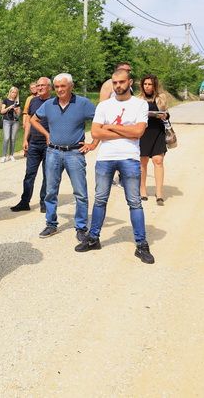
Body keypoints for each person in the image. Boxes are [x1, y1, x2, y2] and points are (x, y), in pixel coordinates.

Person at [75, 69, 155, 264]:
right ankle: (93, 238)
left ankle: (141, 244)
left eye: (121, 82)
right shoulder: (104, 105)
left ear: (130, 82)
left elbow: (139, 131)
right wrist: (127, 131)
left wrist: (109, 126)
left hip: (130, 158)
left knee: (134, 202)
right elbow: (96, 133)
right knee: (100, 199)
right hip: (105, 158)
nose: (118, 86)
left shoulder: (140, 104)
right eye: (115, 82)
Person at [29, 73, 97, 240]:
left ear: (71, 86)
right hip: (53, 152)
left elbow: (100, 121)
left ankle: (81, 227)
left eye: (63, 86)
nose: (59, 89)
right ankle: (51, 224)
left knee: (80, 192)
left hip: (75, 153)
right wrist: (47, 134)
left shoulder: (83, 103)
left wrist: (94, 143)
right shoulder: (49, 104)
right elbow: (33, 120)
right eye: (57, 86)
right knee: (50, 191)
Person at [11, 77, 52, 213]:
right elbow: (28, 121)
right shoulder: (33, 101)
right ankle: (25, 202)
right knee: (29, 174)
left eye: (43, 85)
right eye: (38, 85)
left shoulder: (54, 102)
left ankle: (44, 202)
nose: (39, 88)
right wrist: (25, 140)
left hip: (48, 144)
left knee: (48, 175)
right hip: (33, 142)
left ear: (50, 87)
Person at [137, 73, 169, 204]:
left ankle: (159, 193)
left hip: (158, 131)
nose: (147, 86)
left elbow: (167, 113)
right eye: (145, 84)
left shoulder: (162, 98)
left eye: (149, 84)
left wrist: (164, 116)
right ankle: (142, 190)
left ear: (154, 85)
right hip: (143, 132)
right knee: (143, 162)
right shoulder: (137, 99)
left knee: (158, 160)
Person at [0, 86, 21, 162]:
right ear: (10, 92)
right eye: (13, 92)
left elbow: (19, 113)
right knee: (6, 138)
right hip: (6, 121)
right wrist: (9, 107)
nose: (14, 94)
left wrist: (16, 110)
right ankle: (3, 155)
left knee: (13, 138)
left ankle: (11, 155)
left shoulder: (17, 102)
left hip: (15, 121)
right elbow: (2, 111)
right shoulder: (5, 100)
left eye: (15, 93)